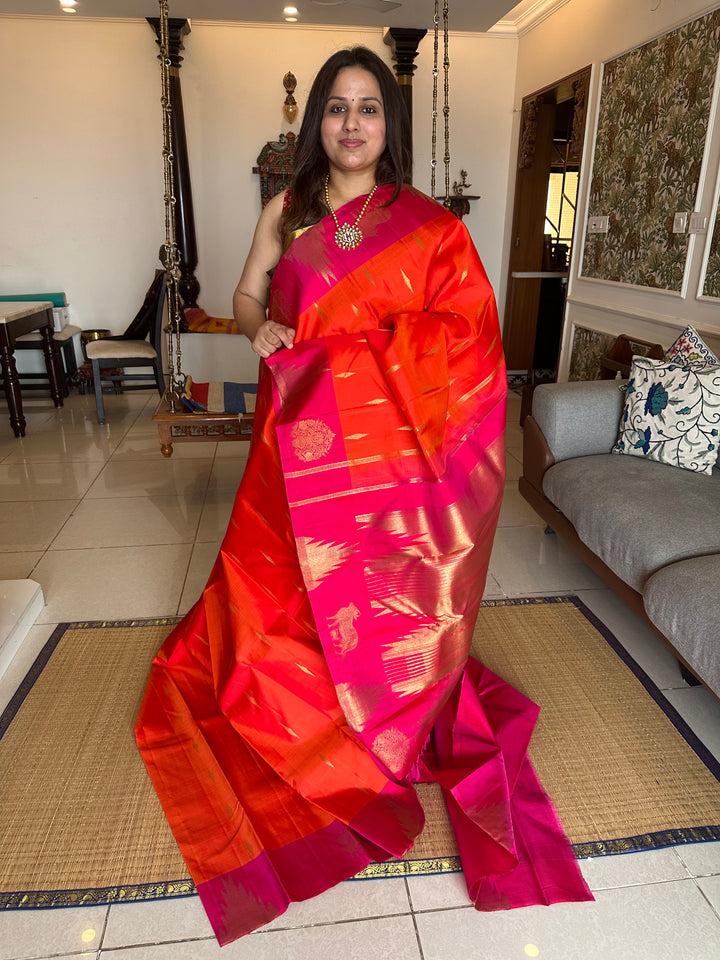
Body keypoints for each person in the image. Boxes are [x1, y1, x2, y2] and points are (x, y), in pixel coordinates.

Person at [135, 45, 592, 948]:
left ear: (391, 125)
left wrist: (375, 358)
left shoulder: (429, 227)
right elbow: (241, 293)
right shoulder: (287, 208)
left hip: (386, 451)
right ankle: (305, 704)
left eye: (369, 108)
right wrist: (258, 324)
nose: (352, 124)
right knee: (283, 580)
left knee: (373, 582)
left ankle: (374, 705)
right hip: (299, 440)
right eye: (338, 109)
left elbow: (465, 338)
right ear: (319, 127)